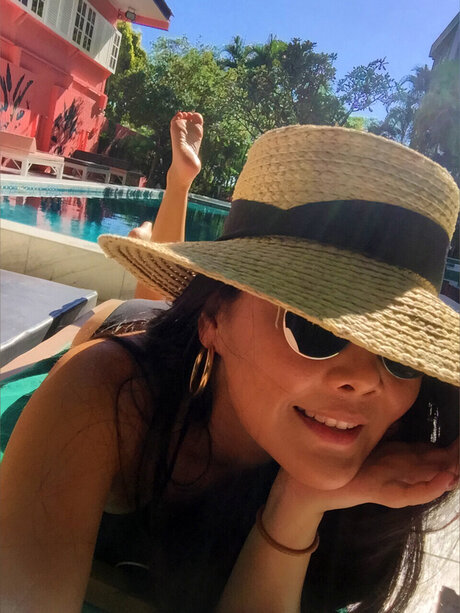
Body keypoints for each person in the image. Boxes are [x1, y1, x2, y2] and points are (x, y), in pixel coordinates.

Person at [0, 115, 459, 613]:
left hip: (191, 345)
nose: (367, 380)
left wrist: (298, 502)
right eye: (314, 328)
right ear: (215, 316)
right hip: (127, 334)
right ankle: (175, 195)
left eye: (400, 353)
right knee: (139, 313)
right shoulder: (106, 396)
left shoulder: (389, 471)